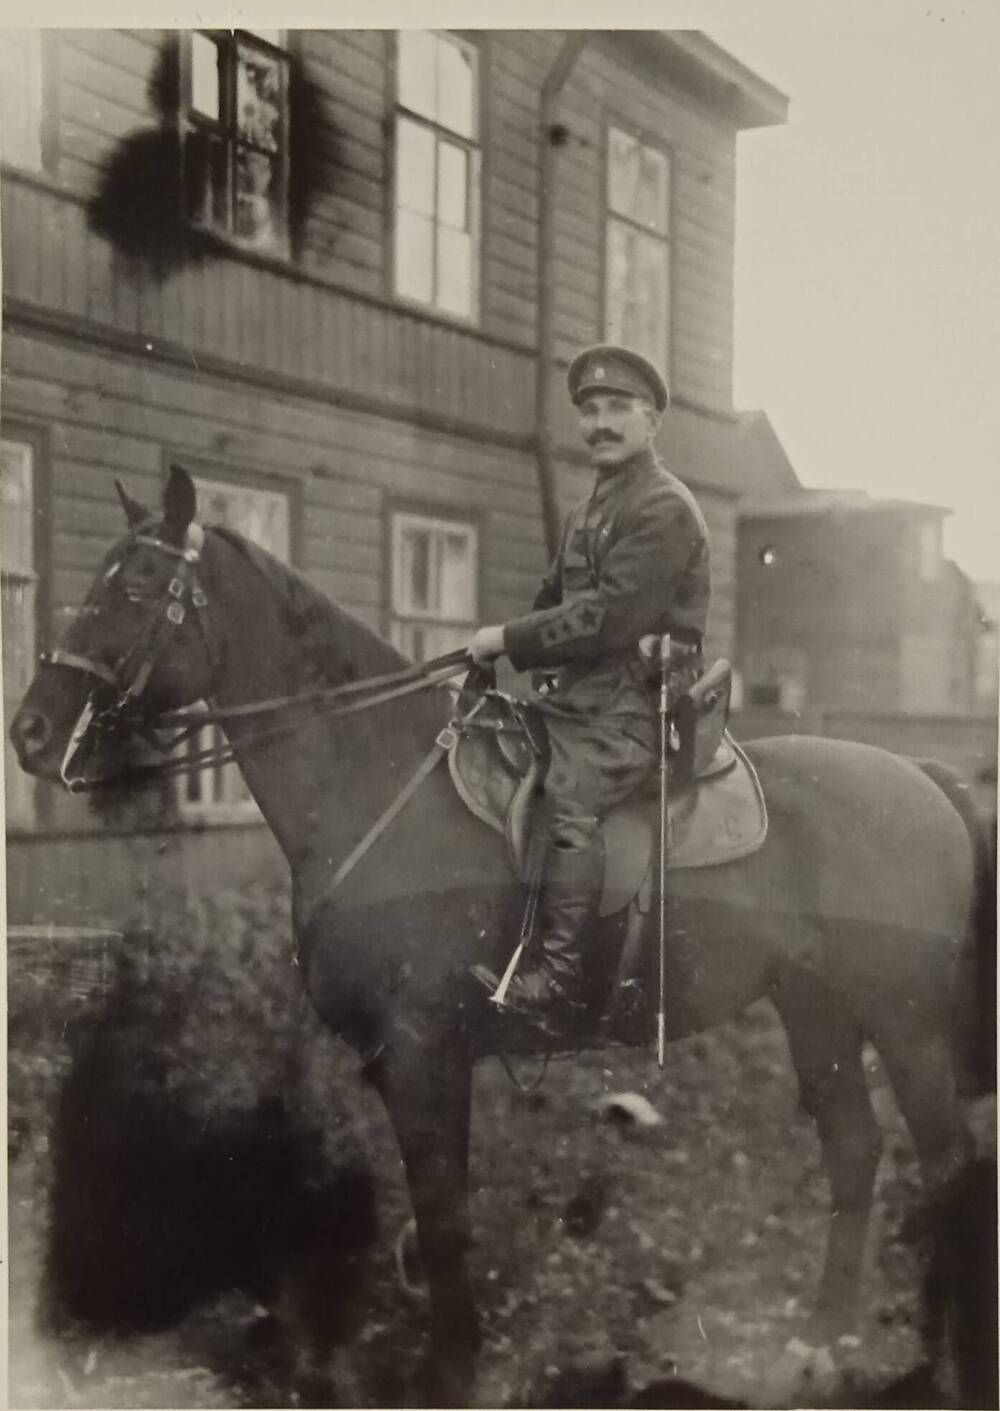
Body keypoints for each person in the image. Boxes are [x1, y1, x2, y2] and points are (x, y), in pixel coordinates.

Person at [466, 343, 711, 1035]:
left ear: (651, 419)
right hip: (575, 703)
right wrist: (509, 646)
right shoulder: (588, 510)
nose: (601, 423)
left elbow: (607, 616)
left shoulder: (665, 508)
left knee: (567, 797)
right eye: (590, 410)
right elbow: (555, 598)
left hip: (633, 712)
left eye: (618, 409)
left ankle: (559, 979)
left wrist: (507, 640)